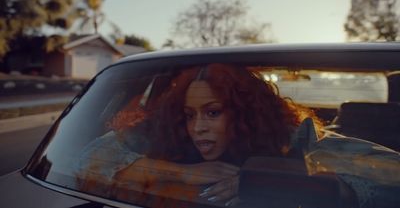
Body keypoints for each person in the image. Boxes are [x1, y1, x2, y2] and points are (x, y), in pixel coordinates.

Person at [76, 63, 400, 208]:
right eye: (190, 115)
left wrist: (274, 180)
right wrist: (184, 173)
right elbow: (83, 158)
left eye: (213, 112)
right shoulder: (166, 134)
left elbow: (388, 176)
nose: (198, 127)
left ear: (244, 112)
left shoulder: (297, 136)